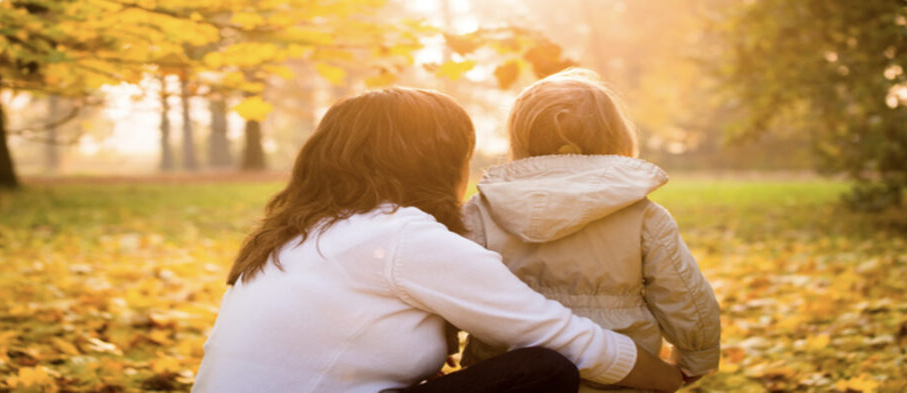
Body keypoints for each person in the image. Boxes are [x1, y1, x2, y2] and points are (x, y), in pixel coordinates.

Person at [192, 87, 684, 393]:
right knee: (542, 370)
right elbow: (555, 333)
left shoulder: (303, 231)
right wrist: (667, 378)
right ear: (435, 162)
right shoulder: (401, 236)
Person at [459, 68, 721, 392]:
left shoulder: (480, 211)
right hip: (625, 371)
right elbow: (684, 293)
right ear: (617, 136)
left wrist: (443, 343)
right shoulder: (641, 215)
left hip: (512, 372)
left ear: (518, 140)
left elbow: (451, 286)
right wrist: (697, 356)